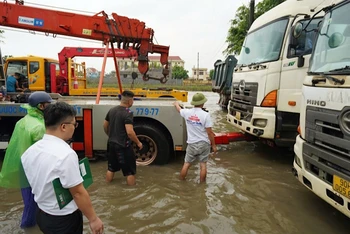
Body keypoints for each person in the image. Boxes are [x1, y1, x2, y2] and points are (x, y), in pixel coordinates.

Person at [21, 102, 104, 234]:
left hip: (42, 213)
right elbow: (77, 193)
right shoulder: (65, 154)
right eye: (74, 124)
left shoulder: (29, 152)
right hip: (63, 219)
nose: (75, 127)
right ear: (64, 126)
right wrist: (93, 219)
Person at [0, 91, 53, 228]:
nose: (51, 107)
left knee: (29, 201)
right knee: (33, 205)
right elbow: (44, 154)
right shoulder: (39, 127)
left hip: (22, 165)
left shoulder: (23, 121)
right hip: (34, 170)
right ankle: (27, 229)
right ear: (41, 106)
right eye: (49, 104)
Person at [173, 93, 217, 183]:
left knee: (186, 164)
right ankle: (202, 186)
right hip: (204, 144)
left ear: (193, 103)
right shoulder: (205, 115)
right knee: (203, 165)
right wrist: (214, 146)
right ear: (203, 103)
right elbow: (209, 133)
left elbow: (179, 110)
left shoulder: (187, 112)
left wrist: (176, 104)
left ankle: (181, 183)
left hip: (191, 144)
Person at [103, 90, 143, 186]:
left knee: (111, 168)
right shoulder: (128, 113)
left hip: (111, 144)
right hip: (123, 146)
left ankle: (107, 186)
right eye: (132, 100)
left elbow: (105, 125)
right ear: (129, 101)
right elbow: (130, 132)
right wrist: (138, 143)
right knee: (130, 172)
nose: (132, 102)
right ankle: (132, 193)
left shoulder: (112, 110)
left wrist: (110, 135)